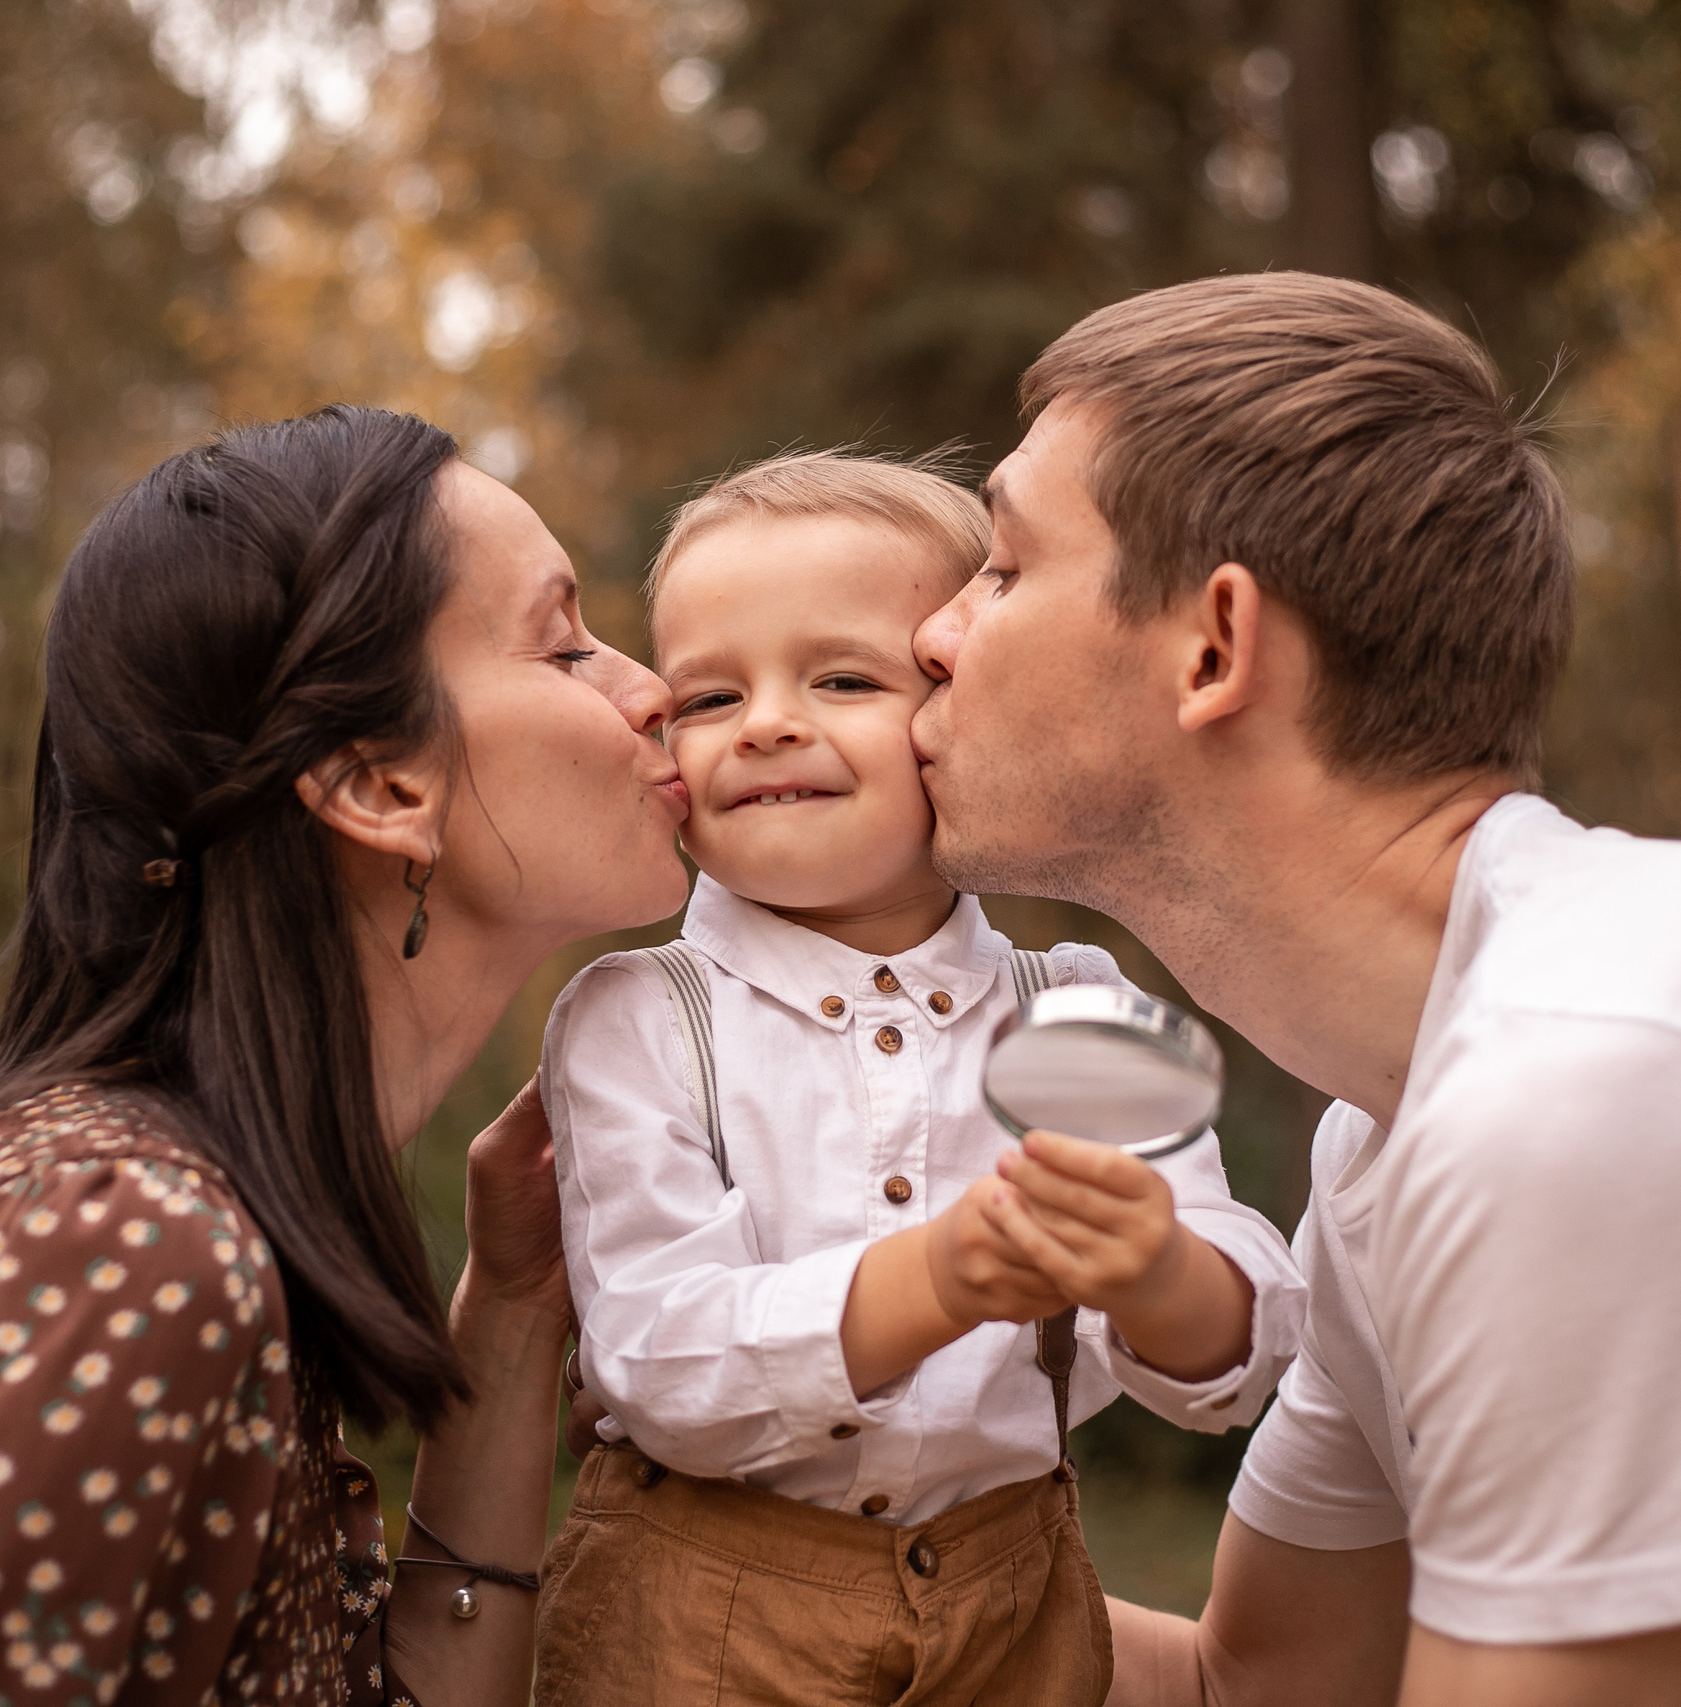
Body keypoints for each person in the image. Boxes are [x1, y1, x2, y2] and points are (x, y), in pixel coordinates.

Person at [912, 273, 1681, 1707]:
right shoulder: (1397, 1130)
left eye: (1000, 564)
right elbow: (1260, 1681)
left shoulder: (1594, 1076)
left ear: (1214, 645)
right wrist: (799, 1605)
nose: (933, 633)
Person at [0, 406, 694, 1707]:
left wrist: (510, 1315)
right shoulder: (126, 1243)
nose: (652, 688)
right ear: (380, 785)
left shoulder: (194, 1219)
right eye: (565, 642)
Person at [532, 451, 1302, 1705]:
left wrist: (1158, 1270)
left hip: (1013, 1605)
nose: (769, 721)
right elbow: (659, 1358)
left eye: (843, 678)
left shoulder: (1080, 1008)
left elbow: (1244, 1346)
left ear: (959, 710)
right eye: (709, 696)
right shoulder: (641, 1018)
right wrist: (937, 1280)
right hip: (701, 1612)